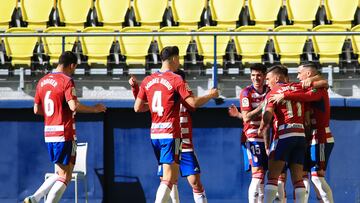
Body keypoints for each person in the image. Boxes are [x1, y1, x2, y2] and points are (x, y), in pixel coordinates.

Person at [133, 46, 219, 203]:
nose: (179, 62)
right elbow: (192, 103)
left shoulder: (148, 80)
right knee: (168, 178)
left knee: (172, 179)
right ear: (173, 59)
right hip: (172, 135)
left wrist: (135, 89)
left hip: (155, 134)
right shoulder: (176, 80)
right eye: (178, 58)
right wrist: (210, 95)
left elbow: (137, 107)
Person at [24, 51, 106, 203]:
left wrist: (54, 114)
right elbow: (73, 106)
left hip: (49, 133)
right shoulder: (66, 81)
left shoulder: (42, 81)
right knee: (65, 176)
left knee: (59, 172)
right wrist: (94, 109)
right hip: (64, 133)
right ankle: (41, 200)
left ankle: (34, 198)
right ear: (72, 65)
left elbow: (36, 110)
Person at [270, 63, 334, 203]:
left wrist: (285, 95)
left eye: (300, 73)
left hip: (321, 136)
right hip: (308, 137)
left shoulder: (319, 89)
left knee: (317, 176)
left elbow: (307, 96)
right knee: (303, 175)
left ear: (308, 74)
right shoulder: (308, 86)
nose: (298, 76)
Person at [259, 65, 307, 203]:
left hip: (285, 135)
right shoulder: (298, 87)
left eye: (268, 79)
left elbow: (268, 116)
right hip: (300, 135)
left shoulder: (273, 92)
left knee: (273, 176)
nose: (266, 82)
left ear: (277, 77)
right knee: (298, 179)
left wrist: (263, 125)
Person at [228, 63, 269, 203]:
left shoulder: (270, 90)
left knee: (266, 176)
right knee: (257, 174)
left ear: (264, 76)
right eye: (253, 75)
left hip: (268, 136)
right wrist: (263, 105)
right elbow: (246, 117)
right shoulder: (246, 92)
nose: (255, 78)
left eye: (258, 75)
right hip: (252, 136)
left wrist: (239, 115)